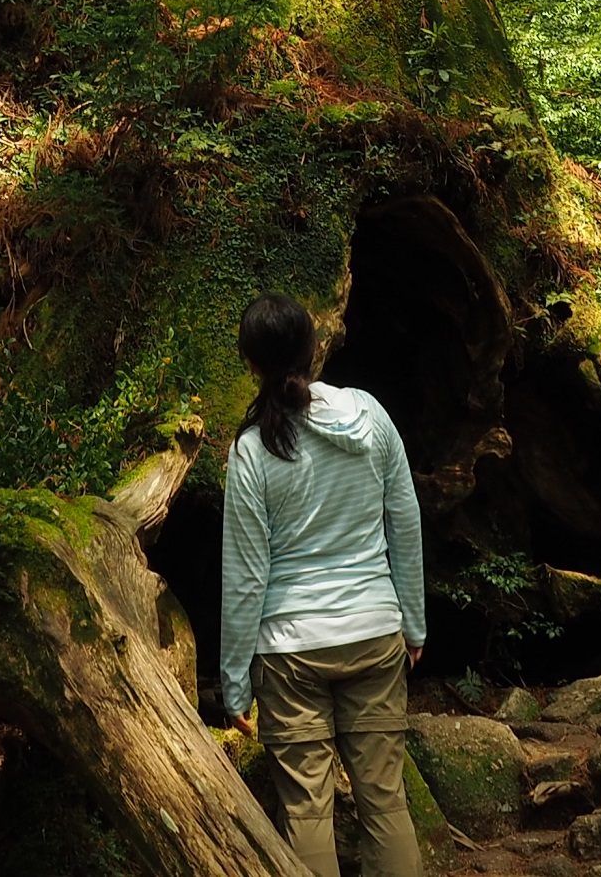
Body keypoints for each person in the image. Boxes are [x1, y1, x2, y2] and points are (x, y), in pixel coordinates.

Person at [220, 291, 427, 877]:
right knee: (385, 802)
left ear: (251, 364)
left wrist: (234, 684)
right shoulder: (370, 416)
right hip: (375, 633)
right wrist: (412, 622)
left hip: (289, 653)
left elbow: (245, 576)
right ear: (314, 348)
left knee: (307, 814)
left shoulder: (253, 451)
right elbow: (404, 522)